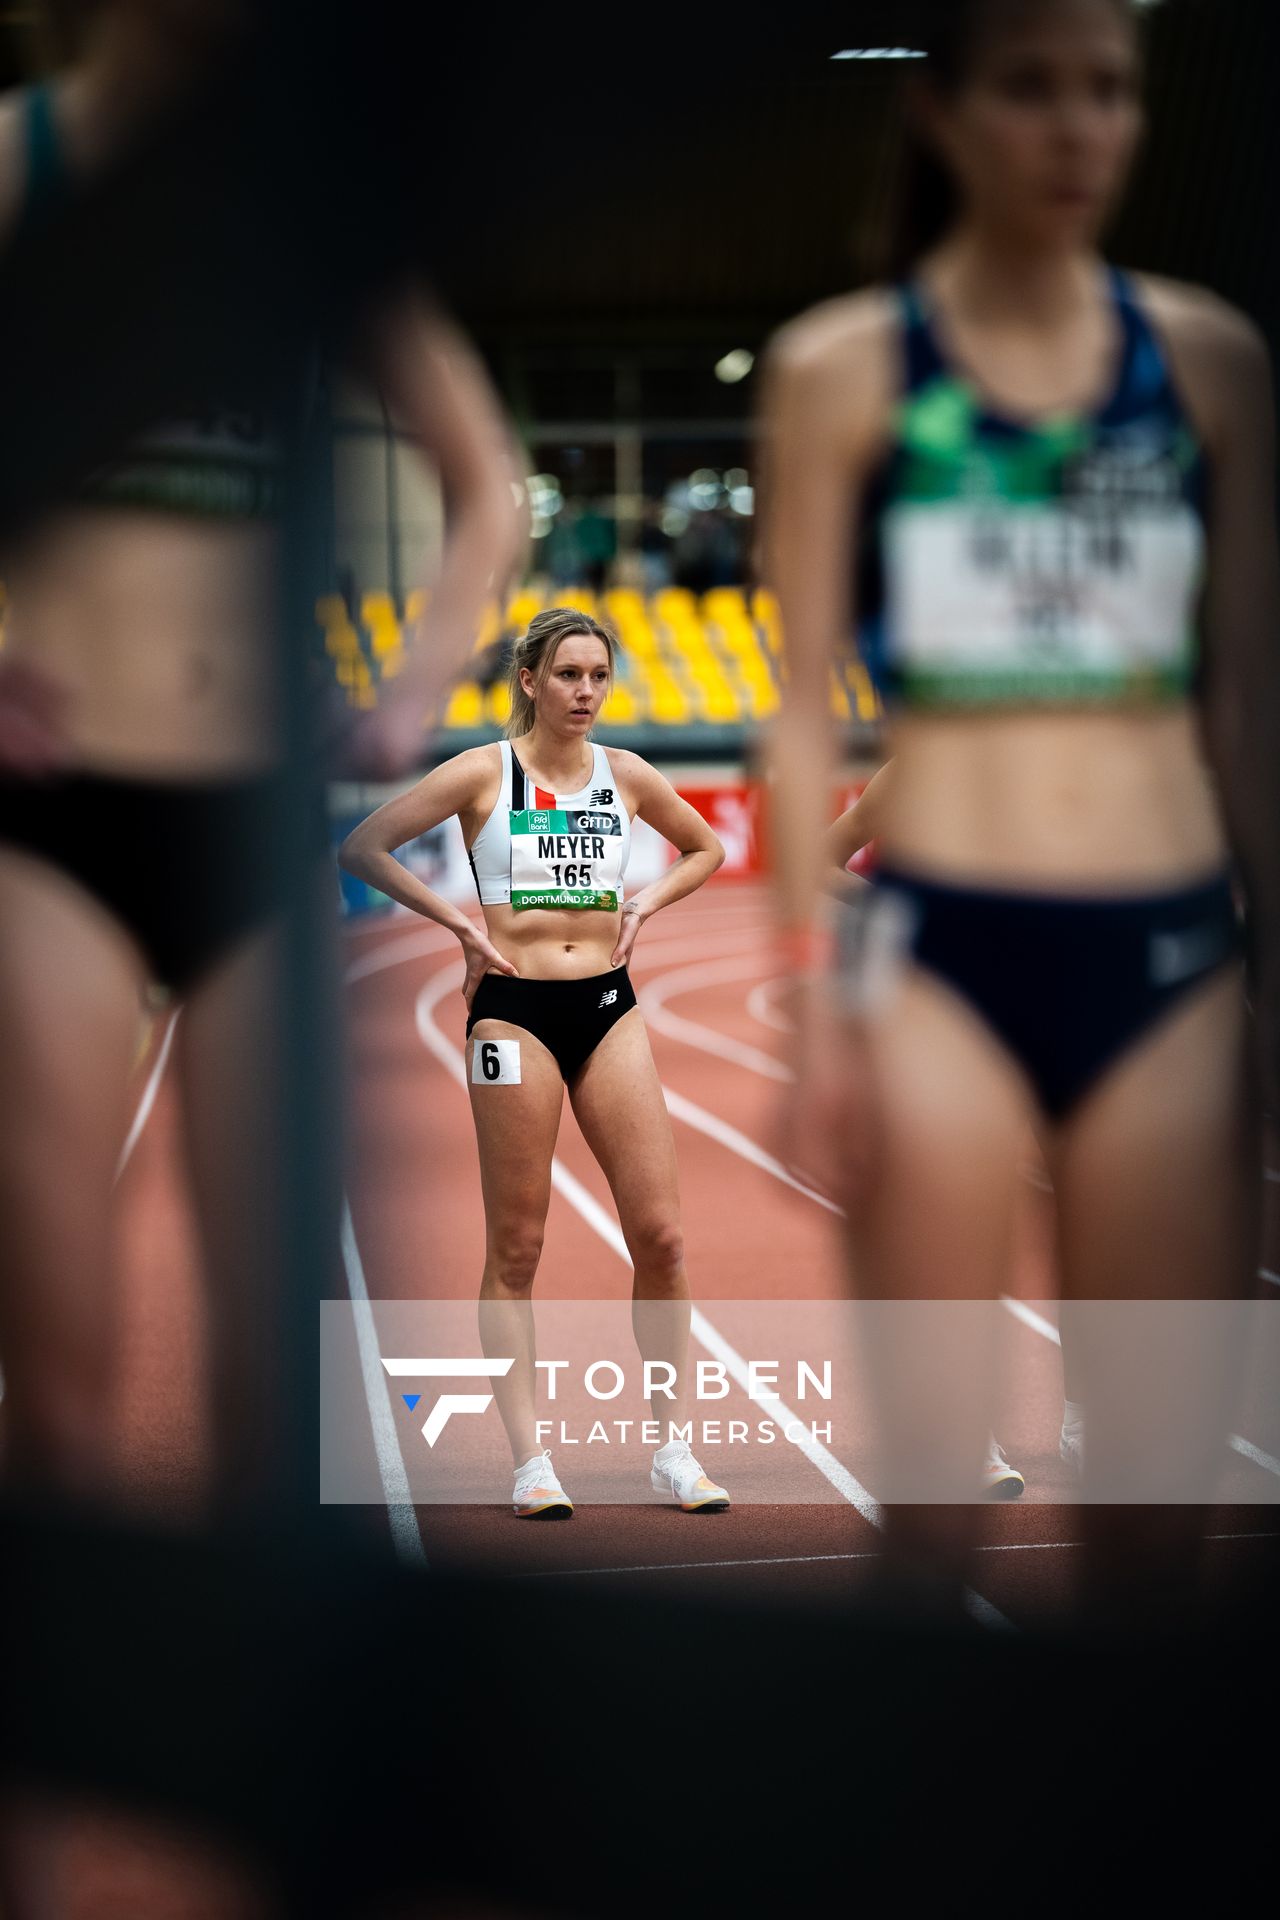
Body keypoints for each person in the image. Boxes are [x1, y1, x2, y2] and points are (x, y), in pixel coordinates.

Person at [762, 0, 1279, 1618]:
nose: (1081, 130)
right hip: (941, 960)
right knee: (928, 1512)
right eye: (1035, 90)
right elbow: (792, 719)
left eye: (1112, 93)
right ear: (942, 110)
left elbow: (1246, 703)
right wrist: (805, 995)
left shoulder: (1209, 363)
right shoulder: (843, 369)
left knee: (1149, 1524)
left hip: (1173, 953)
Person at [0, 0, 526, 1516]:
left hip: (261, 820)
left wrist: (410, 693)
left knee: (276, 1394)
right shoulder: (23, 168)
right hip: (53, 819)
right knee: (60, 1391)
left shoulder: (304, 201)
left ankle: (242, 1739)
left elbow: (486, 481)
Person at [338, 606, 732, 1517]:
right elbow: (365, 845)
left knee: (663, 1237)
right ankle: (532, 1462)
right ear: (530, 680)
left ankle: (673, 1449)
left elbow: (705, 847)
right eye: (568, 675)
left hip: (607, 1006)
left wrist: (646, 905)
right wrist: (458, 925)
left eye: (598, 675)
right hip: (512, 1013)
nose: (586, 691)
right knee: (518, 1245)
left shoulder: (626, 776)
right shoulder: (484, 770)